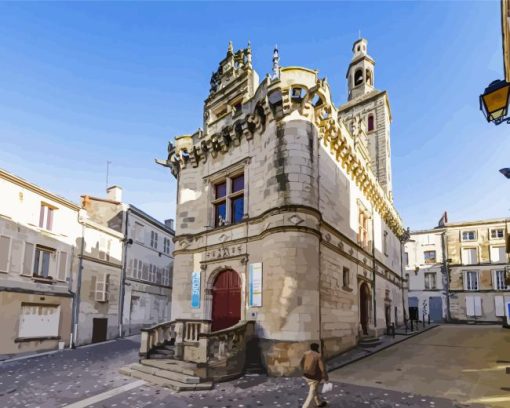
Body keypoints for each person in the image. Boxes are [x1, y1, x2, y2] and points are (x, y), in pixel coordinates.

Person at [300, 343, 329, 407]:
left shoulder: (305, 353)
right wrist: (325, 376)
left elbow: (301, 363)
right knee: (312, 392)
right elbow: (322, 368)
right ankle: (305, 406)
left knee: (314, 390)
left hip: (306, 375)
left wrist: (304, 370)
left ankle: (318, 403)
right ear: (317, 348)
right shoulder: (318, 355)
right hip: (314, 377)